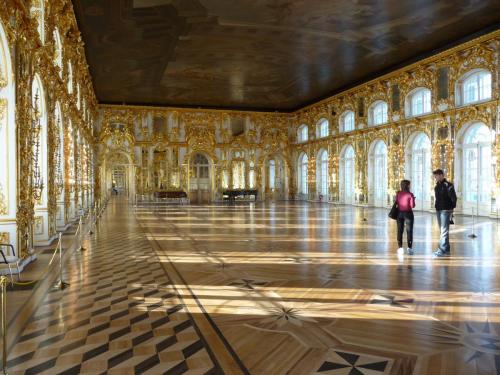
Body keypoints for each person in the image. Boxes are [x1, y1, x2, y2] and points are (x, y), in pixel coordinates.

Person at [433, 169, 457, 257]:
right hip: (439, 209)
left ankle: (441, 250)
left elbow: (454, 198)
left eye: (436, 176)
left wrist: (451, 208)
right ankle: (446, 250)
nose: (435, 178)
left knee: (444, 231)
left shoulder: (448, 185)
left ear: (441, 175)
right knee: (443, 231)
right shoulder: (437, 186)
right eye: (434, 176)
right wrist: (436, 207)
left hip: (446, 210)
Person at [396, 180, 415, 255]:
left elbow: (397, 203)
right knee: (409, 231)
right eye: (409, 185)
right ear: (407, 185)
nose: (410, 186)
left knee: (399, 231)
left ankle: (400, 248)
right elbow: (412, 205)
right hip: (408, 214)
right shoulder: (410, 194)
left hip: (399, 214)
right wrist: (413, 198)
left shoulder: (398, 194)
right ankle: (409, 249)